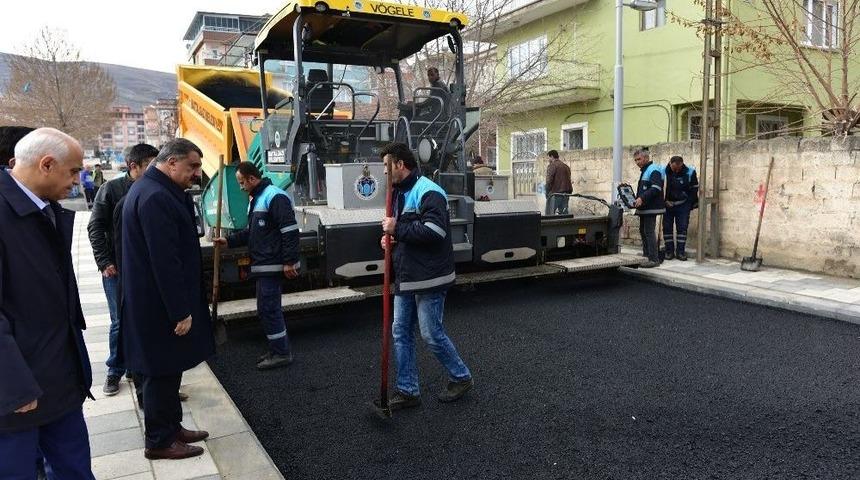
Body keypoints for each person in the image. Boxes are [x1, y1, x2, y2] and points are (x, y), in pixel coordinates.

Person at [0, 127, 95, 479]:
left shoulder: (46, 210)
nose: (77, 180)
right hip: (16, 395)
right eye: (73, 171)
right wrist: (13, 386)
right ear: (46, 164)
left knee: (74, 469)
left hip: (59, 380)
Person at [120, 138, 214, 460]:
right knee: (160, 372)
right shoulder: (156, 197)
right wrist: (180, 311)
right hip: (158, 307)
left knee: (170, 368)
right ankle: (160, 441)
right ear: (171, 162)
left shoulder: (155, 189)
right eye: (193, 167)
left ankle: (172, 427)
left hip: (154, 302)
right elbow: (165, 260)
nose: (197, 174)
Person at [379, 142, 473, 410]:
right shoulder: (397, 193)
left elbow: (435, 232)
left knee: (431, 333)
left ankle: (461, 377)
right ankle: (408, 390)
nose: (384, 174)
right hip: (407, 274)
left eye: (386, 167)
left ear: (399, 165)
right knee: (400, 332)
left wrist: (397, 227)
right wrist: (390, 240)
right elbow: (405, 232)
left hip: (430, 276)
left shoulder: (429, 192)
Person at [213, 162, 300, 370]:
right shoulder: (257, 199)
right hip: (264, 264)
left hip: (272, 264)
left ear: (252, 179)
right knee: (266, 309)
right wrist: (230, 241)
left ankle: (281, 353)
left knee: (269, 309)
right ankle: (276, 348)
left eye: (242, 182)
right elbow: (252, 233)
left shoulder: (273, 196)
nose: (241, 187)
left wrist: (289, 261)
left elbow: (289, 230)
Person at [87, 143, 159, 396]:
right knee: (120, 321)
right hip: (117, 269)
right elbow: (95, 227)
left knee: (144, 320)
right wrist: (105, 262)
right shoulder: (111, 189)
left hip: (144, 268)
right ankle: (114, 370)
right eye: (150, 165)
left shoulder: (155, 188)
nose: (155, 169)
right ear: (133, 167)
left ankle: (142, 372)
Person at [632, 148, 665, 268]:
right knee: (643, 231)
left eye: (639, 159)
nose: (637, 162)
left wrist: (642, 198)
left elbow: (656, 188)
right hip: (645, 206)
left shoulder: (653, 169)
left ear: (646, 158)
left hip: (651, 206)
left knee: (649, 232)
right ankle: (647, 255)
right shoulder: (645, 170)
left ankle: (654, 259)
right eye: (635, 160)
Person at [663, 155, 699, 261]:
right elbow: (661, 188)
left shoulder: (690, 172)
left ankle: (681, 252)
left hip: (683, 205)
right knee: (667, 228)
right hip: (667, 205)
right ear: (670, 164)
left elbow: (694, 189)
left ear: (682, 164)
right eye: (674, 168)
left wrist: (688, 204)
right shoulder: (664, 172)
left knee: (682, 229)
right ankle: (669, 252)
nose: (676, 171)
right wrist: (664, 201)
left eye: (678, 168)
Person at [545, 150, 572, 215]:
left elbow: (549, 180)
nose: (548, 159)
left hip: (555, 193)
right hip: (566, 193)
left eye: (549, 157)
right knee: (564, 214)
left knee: (549, 214)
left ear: (552, 156)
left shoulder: (552, 166)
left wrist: (547, 192)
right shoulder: (566, 166)